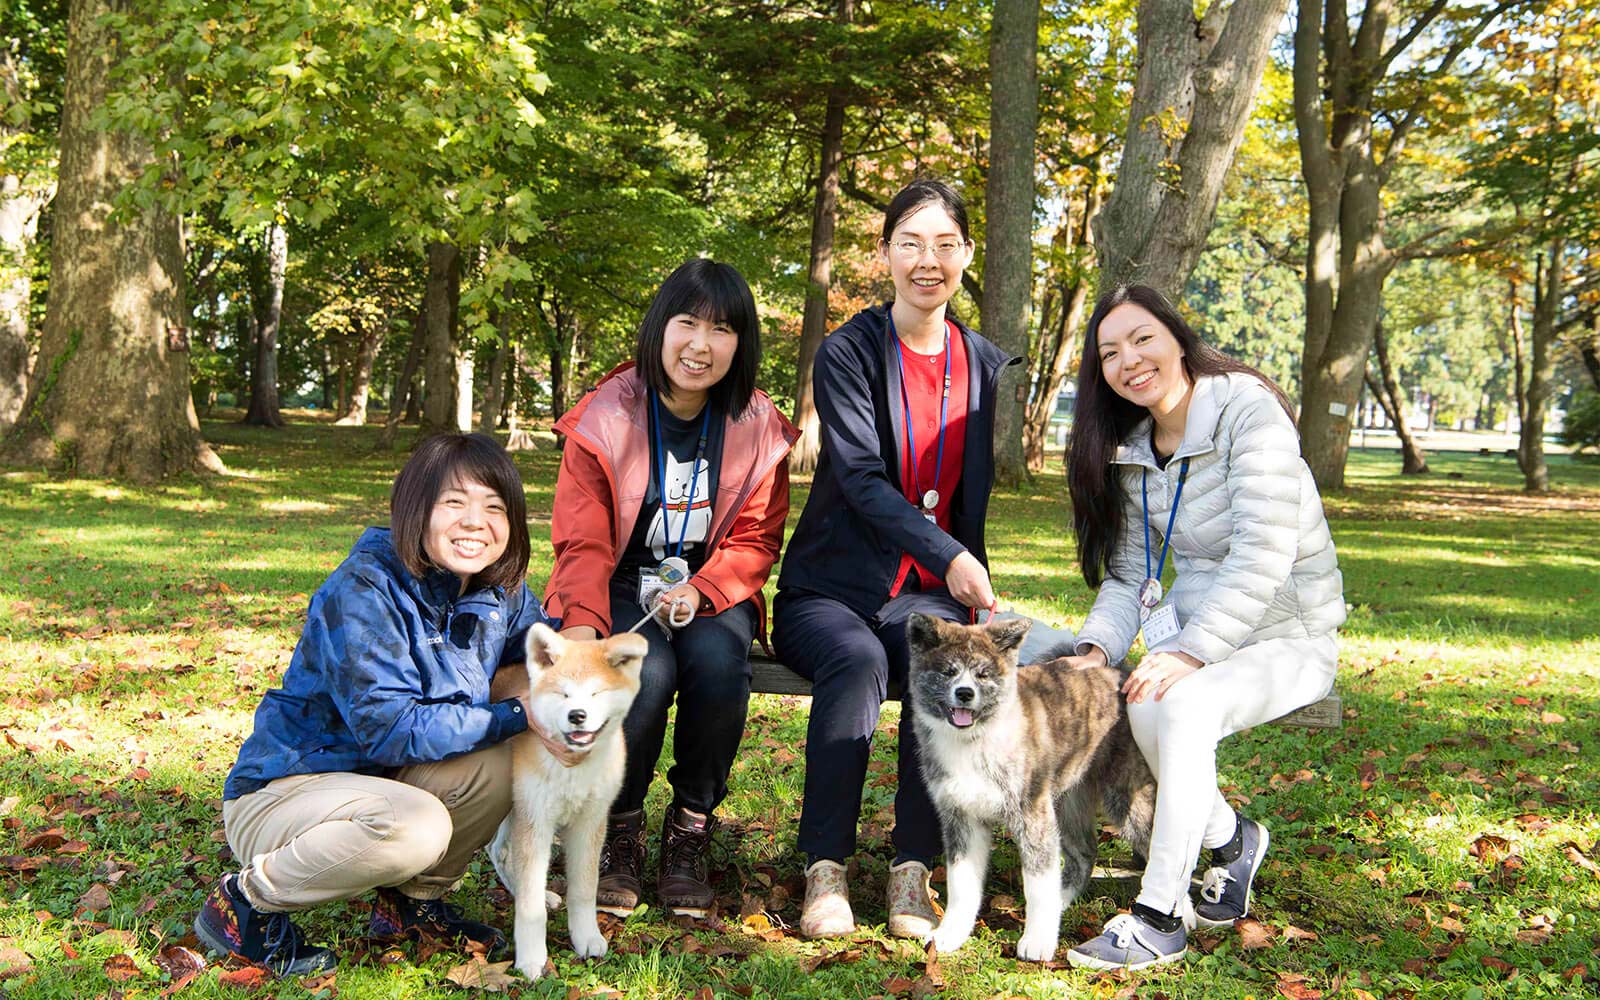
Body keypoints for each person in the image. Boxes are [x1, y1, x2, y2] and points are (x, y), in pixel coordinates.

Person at [1058, 285, 1345, 971]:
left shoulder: (1248, 412)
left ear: (1178, 339)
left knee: (1177, 701)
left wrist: (1189, 652)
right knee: (1143, 703)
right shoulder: (1134, 449)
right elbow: (1131, 577)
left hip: (1289, 639)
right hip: (1203, 641)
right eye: (1108, 352)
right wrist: (1097, 648)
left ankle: (1160, 916)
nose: (1128, 359)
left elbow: (1263, 551)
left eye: (1142, 338)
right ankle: (1234, 841)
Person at [194, 433, 553, 977]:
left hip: (384, 785)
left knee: (504, 760)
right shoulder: (364, 589)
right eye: (454, 503)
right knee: (417, 824)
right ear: (415, 510)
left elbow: (545, 656)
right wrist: (519, 712)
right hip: (289, 791)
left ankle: (413, 904)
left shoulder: (498, 590)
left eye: (494, 507)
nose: (475, 522)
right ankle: (246, 903)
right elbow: (390, 730)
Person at [773, 178, 1020, 940]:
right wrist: (948, 555)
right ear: (885, 255)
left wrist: (954, 573)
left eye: (945, 245)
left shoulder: (980, 360)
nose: (928, 260)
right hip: (831, 589)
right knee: (853, 662)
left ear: (966, 255)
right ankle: (825, 868)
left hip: (926, 600)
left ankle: (913, 867)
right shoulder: (848, 351)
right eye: (911, 243)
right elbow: (860, 477)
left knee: (940, 668)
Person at [540, 258, 797, 918]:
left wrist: (706, 590)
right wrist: (579, 627)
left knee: (717, 666)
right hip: (621, 581)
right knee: (642, 674)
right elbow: (583, 540)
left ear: (741, 344)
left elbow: (757, 539)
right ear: (660, 328)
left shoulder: (756, 425)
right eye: (687, 323)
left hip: (709, 587)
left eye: (721, 329)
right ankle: (618, 831)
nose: (701, 344)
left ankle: (689, 830)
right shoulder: (608, 416)